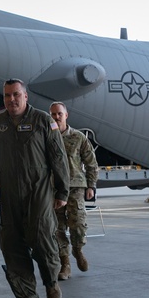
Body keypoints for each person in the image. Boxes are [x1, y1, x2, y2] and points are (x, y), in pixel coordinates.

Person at [0, 79, 70, 298]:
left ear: (25, 96)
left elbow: (58, 158)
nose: (11, 99)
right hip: (10, 194)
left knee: (42, 239)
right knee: (11, 246)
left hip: (38, 191)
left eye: (16, 94)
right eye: (7, 95)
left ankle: (51, 281)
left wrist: (62, 191)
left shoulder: (43, 121)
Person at [49, 102, 98, 280]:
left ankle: (78, 250)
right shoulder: (47, 137)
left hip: (75, 186)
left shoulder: (78, 137)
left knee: (77, 223)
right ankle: (65, 263)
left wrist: (91, 185)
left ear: (66, 115)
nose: (56, 117)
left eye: (59, 114)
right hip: (53, 189)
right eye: (53, 114)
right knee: (57, 227)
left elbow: (91, 162)